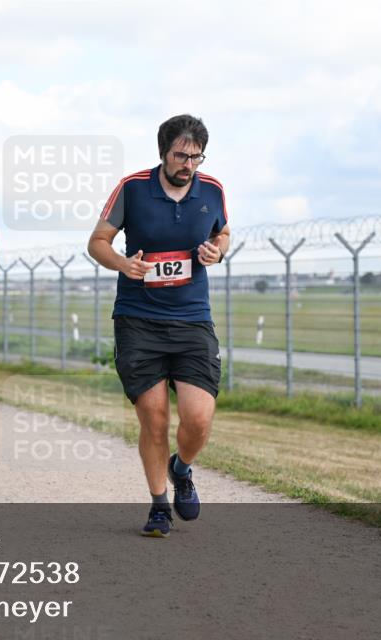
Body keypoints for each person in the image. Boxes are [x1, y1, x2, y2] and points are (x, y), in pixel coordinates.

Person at [87, 114, 230, 537]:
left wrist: (216, 251)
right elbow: (97, 241)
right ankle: (158, 506)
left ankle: (181, 469)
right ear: (163, 153)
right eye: (180, 155)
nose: (188, 164)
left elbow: (223, 234)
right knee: (154, 419)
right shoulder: (132, 188)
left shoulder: (213, 190)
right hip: (139, 320)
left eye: (196, 156)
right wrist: (123, 264)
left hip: (191, 320)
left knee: (199, 418)